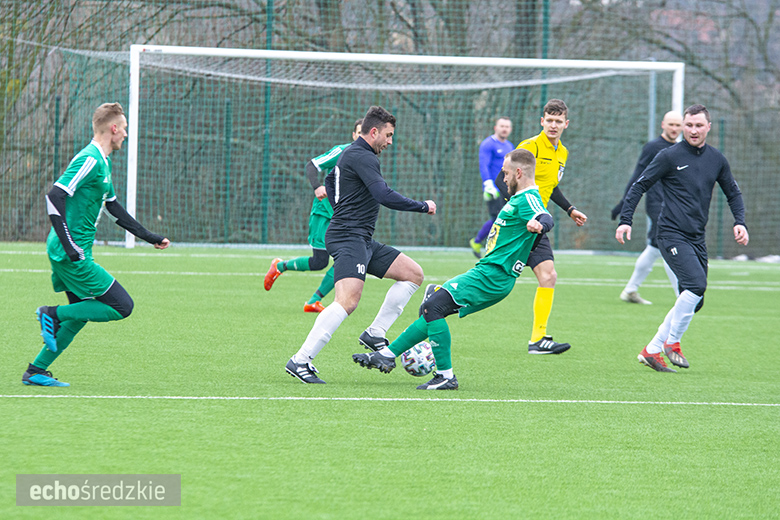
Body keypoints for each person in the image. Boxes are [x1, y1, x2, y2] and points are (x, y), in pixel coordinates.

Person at [352, 149, 553, 390]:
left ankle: (446, 376)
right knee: (433, 306)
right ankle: (386, 354)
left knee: (432, 306)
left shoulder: (528, 197)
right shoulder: (518, 199)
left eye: (506, 173)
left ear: (519, 172)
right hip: (488, 272)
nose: (504, 178)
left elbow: (545, 216)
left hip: (494, 276)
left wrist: (539, 223)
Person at [285, 106, 437, 384]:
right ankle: (301, 359)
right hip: (348, 237)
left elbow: (331, 180)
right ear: (374, 131)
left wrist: (342, 206)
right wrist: (422, 206)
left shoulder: (352, 154)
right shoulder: (363, 156)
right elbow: (382, 194)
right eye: (388, 136)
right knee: (347, 301)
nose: (390, 142)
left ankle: (375, 333)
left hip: (360, 238)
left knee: (413, 274)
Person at [23, 102, 170, 387]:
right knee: (121, 305)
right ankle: (50, 313)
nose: (126, 134)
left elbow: (114, 208)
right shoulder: (89, 159)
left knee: (81, 314)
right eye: (124, 129)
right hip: (71, 253)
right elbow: (54, 196)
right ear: (113, 129)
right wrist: (70, 247)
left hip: (71, 251)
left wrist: (150, 236)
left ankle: (36, 370)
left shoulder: (103, 162)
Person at [616, 104, 748, 373]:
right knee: (695, 284)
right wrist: (625, 220)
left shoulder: (716, 159)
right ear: (683, 127)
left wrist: (740, 222)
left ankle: (651, 350)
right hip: (670, 234)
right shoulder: (669, 156)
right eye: (689, 125)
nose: (693, 130)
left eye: (699, 125)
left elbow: (733, 193)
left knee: (695, 299)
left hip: (696, 237)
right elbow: (639, 185)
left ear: (708, 127)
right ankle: (672, 343)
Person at [264, 119, 362, 313]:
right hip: (324, 213)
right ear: (353, 135)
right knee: (320, 261)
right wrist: (317, 186)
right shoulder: (342, 152)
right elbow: (312, 165)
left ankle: (314, 300)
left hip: (343, 217)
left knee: (346, 257)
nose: (361, 136)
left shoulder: (367, 159)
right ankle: (280, 266)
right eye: (359, 132)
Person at [516, 99, 587, 354]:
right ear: (542, 121)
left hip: (538, 221)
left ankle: (538, 339)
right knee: (493, 285)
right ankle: (441, 297)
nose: (554, 125)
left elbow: (550, 186)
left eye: (559, 121)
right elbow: (508, 180)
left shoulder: (562, 153)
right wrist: (521, 216)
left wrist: (570, 209)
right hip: (519, 223)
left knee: (549, 276)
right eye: (550, 120)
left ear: (566, 124)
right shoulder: (529, 147)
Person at [612, 111, 683, 304]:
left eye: (678, 125)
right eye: (671, 125)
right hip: (656, 204)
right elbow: (638, 176)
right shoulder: (653, 147)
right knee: (669, 244)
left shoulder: (680, 149)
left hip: (671, 206)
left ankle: (630, 290)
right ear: (663, 124)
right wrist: (623, 204)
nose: (675, 129)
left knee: (654, 247)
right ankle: (681, 295)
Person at [468, 117, 514, 258]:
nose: (504, 129)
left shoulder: (510, 146)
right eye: (502, 126)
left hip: (507, 188)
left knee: (503, 218)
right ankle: (480, 242)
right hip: (493, 189)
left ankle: (479, 242)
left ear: (510, 129)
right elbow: (484, 165)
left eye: (507, 126)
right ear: (496, 128)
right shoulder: (488, 144)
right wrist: (488, 184)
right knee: (498, 218)